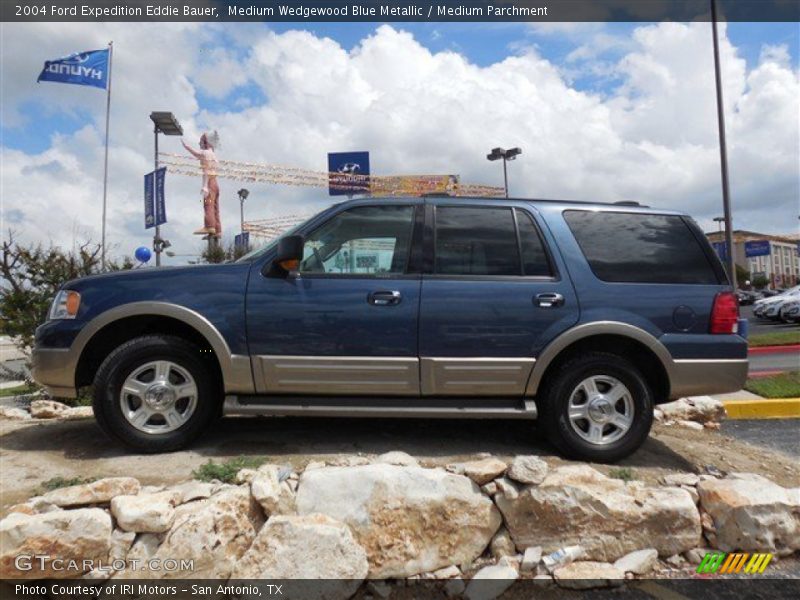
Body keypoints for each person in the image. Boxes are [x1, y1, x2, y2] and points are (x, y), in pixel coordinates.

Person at [182, 131, 221, 238]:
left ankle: (209, 226)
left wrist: (204, 186)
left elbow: (206, 170)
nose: (200, 144)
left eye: (201, 141)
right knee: (215, 207)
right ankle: (218, 230)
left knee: (207, 204)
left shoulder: (206, 154)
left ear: (206, 142)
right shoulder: (213, 155)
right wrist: (187, 147)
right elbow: (196, 154)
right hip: (215, 183)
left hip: (209, 182)